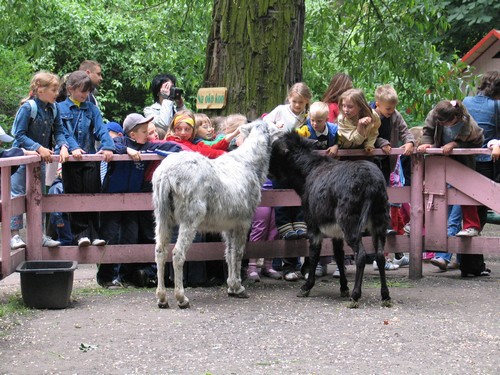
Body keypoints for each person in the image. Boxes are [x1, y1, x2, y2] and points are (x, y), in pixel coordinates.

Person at [97, 113, 182, 288]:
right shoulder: (121, 143)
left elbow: (174, 147)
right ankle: (105, 277)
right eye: (144, 131)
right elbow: (112, 144)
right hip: (112, 199)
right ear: (132, 134)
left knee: (130, 236)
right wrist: (128, 150)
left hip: (132, 202)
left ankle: (124, 275)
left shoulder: (147, 147)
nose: (148, 134)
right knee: (110, 236)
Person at [9, 71, 71, 250]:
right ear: (40, 90)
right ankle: (14, 236)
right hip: (20, 161)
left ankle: (40, 234)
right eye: (53, 89)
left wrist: (64, 146)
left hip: (40, 161)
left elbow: (59, 131)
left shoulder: (54, 108)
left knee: (38, 197)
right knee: (17, 195)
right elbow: (18, 134)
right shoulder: (28, 108)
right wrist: (38, 147)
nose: (57, 93)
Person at [58, 70, 115, 247]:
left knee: (93, 194)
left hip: (90, 158)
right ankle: (80, 234)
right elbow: (62, 132)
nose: (85, 95)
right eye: (82, 91)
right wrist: (73, 147)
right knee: (75, 196)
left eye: (88, 91)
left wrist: (107, 146)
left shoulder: (92, 108)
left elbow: (101, 129)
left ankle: (95, 233)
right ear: (70, 89)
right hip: (71, 161)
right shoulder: (60, 108)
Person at [263, 82, 312, 281]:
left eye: (301, 102)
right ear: (289, 99)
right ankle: (286, 230)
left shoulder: (308, 116)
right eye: (295, 101)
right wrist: (277, 127)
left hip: (299, 165)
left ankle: (299, 226)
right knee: (282, 198)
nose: (297, 105)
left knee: (300, 199)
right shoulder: (281, 111)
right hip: (281, 162)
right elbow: (265, 123)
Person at [417, 99, 484, 237]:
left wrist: (455, 144)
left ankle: (471, 225)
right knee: (431, 192)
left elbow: (477, 142)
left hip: (463, 162)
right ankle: (419, 222)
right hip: (439, 160)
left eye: (444, 123)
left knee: (466, 192)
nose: (441, 124)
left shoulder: (467, 124)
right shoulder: (435, 115)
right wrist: (427, 144)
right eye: (439, 122)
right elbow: (428, 132)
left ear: (456, 118)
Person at [372, 84, 415, 268]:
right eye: (388, 108)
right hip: (372, 162)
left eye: (393, 108)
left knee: (388, 195)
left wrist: (410, 142)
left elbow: (405, 130)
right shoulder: (371, 115)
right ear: (378, 105)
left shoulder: (395, 115)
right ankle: (378, 253)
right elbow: (370, 135)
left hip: (387, 164)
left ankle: (390, 236)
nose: (391, 111)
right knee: (378, 197)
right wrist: (382, 142)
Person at [296, 101, 338, 277]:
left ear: (326, 119)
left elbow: (340, 143)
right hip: (312, 178)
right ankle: (313, 263)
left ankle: (332, 262)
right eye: (312, 120)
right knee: (313, 222)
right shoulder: (304, 129)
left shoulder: (334, 131)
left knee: (330, 220)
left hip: (329, 176)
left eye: (318, 121)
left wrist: (336, 146)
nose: (314, 124)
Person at [463, 70, 500, 227]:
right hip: (486, 161)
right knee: (481, 208)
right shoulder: (496, 105)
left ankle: (466, 250)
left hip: (463, 160)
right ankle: (470, 250)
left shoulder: (466, 101)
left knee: (466, 205)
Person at [164, 110, 239, 158]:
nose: (183, 133)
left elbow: (210, 147)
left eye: (187, 129)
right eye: (178, 129)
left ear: (192, 130)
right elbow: (203, 151)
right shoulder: (175, 141)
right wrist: (228, 155)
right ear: (173, 128)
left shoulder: (191, 141)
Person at [337, 88, 381, 154]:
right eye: (344, 106)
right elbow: (357, 140)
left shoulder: (372, 115)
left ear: (360, 106)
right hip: (343, 151)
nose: (345, 110)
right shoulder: (342, 119)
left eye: (350, 107)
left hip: (363, 150)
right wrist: (360, 125)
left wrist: (369, 144)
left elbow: (374, 131)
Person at [144, 73, 187, 138]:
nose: (170, 90)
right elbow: (164, 124)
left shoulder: (175, 108)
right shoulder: (149, 110)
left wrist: (180, 105)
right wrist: (167, 98)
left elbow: (188, 121)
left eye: (172, 87)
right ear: (158, 92)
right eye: (167, 87)